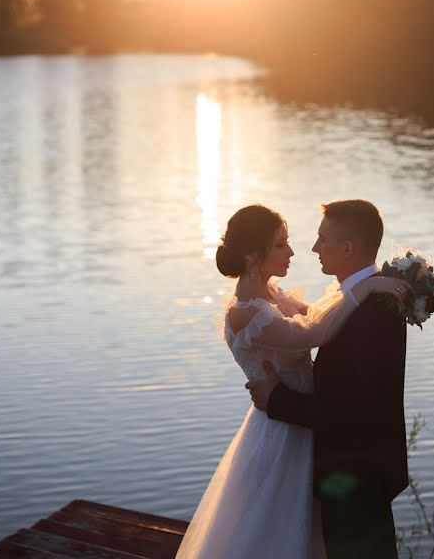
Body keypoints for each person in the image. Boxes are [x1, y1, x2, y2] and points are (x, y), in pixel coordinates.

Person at [175, 204, 409, 559]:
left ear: (346, 247)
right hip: (282, 434)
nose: (302, 250)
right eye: (282, 244)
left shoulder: (276, 298)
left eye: (320, 239)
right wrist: (365, 287)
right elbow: (314, 331)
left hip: (320, 440)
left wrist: (369, 286)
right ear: (255, 256)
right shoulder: (246, 313)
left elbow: (318, 321)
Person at [247, 199, 410, 559]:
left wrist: (276, 399)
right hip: (359, 472)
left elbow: (348, 409)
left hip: (355, 479)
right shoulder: (359, 299)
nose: (314, 247)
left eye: (323, 239)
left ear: (348, 248)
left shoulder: (370, 312)